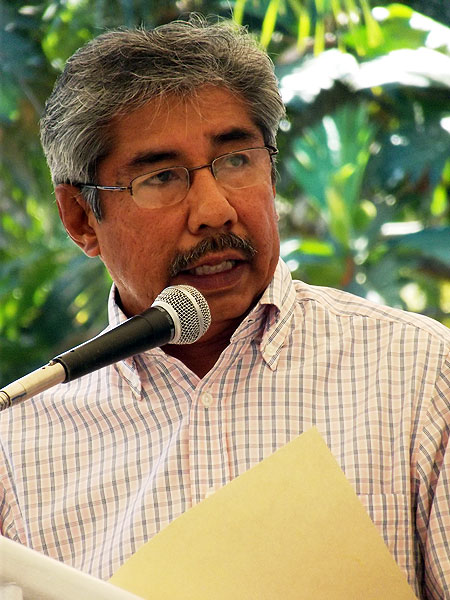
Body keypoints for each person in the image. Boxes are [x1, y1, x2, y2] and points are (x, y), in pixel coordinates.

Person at [0, 15, 449, 599]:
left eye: (237, 161)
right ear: (82, 218)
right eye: (161, 177)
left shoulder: (414, 372)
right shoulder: (18, 443)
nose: (214, 210)